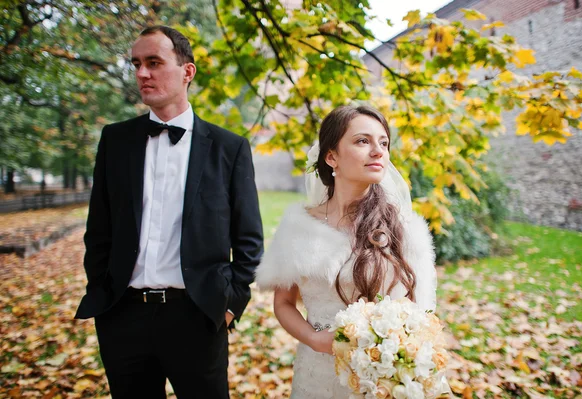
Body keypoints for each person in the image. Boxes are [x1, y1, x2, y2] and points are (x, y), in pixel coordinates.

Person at [75, 26, 263, 399]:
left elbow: (249, 241)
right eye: (137, 64)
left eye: (154, 63)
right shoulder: (115, 140)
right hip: (122, 317)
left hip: (196, 316)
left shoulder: (229, 148)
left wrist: (230, 304)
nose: (142, 73)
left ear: (187, 72)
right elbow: (99, 230)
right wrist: (101, 293)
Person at [254, 105, 437, 398]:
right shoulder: (298, 226)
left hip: (384, 377)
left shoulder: (406, 229)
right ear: (331, 157)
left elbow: (422, 311)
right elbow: (284, 303)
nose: (378, 151)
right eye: (362, 141)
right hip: (317, 372)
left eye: (384, 142)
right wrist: (313, 339)